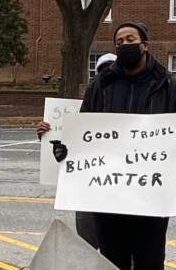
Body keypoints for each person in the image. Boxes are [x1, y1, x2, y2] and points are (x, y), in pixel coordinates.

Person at [50, 22, 176, 270]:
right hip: (109, 194)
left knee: (149, 264)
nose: (125, 44)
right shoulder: (101, 85)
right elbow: (84, 129)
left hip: (150, 194)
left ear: (145, 43)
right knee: (112, 264)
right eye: (119, 41)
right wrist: (66, 149)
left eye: (131, 39)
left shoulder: (169, 86)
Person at [36, 54, 117, 249]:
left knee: (118, 248)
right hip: (87, 190)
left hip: (118, 191)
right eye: (102, 71)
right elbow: (64, 144)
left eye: (111, 69)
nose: (106, 75)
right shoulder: (83, 108)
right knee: (87, 246)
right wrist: (46, 134)